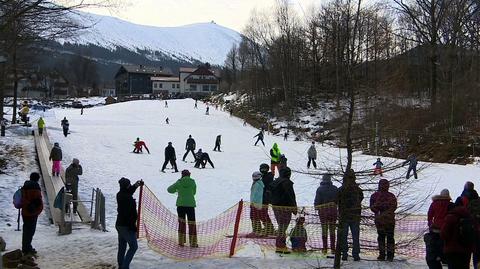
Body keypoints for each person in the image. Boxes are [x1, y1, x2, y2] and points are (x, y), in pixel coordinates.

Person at [337, 169, 363, 261]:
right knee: (355, 236)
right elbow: (361, 198)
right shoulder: (357, 189)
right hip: (355, 215)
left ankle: (344, 253)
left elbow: (337, 201)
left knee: (344, 236)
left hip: (344, 216)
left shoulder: (341, 189)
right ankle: (356, 254)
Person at [116, 177, 143, 269]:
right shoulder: (128, 199)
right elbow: (131, 215)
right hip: (126, 226)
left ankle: (121, 265)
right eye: (129, 184)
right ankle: (125, 267)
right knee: (133, 247)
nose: (130, 186)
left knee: (122, 246)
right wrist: (133, 227)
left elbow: (128, 191)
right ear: (127, 186)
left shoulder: (120, 194)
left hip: (119, 224)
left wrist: (135, 186)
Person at [167, 170, 198, 247]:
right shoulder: (193, 182)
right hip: (190, 205)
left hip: (180, 205)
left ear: (182, 175)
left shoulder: (179, 182)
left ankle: (181, 241)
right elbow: (194, 192)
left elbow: (169, 190)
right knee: (192, 223)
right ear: (189, 175)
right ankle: (193, 242)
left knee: (182, 223)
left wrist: (177, 190)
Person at [441, 202, 476, 269]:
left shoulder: (450, 217)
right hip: (466, 250)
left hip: (452, 250)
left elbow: (443, 234)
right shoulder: (470, 217)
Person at [370, 178, 397, 261]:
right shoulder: (391, 195)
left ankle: (382, 255)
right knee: (390, 238)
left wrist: (379, 209)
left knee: (381, 237)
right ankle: (390, 255)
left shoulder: (375, 195)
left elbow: (373, 208)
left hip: (380, 219)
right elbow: (394, 207)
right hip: (389, 220)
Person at [271, 167, 297, 254]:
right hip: (285, 208)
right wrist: (294, 208)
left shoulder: (275, 182)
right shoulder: (287, 183)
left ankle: (280, 245)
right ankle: (280, 246)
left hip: (275, 207)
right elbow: (290, 196)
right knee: (283, 226)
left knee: (281, 226)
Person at [426, 189, 453, 269]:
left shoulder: (434, 203)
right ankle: (444, 258)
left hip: (435, 228)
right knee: (444, 245)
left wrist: (430, 224)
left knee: (434, 245)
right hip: (446, 228)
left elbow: (430, 215)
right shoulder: (451, 205)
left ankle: (436, 257)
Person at [314, 174, 338, 254]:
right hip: (333, 211)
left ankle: (324, 248)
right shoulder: (335, 189)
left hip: (323, 212)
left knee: (324, 230)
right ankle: (333, 248)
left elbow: (317, 201)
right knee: (332, 230)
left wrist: (316, 207)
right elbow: (337, 200)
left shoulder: (320, 189)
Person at [21, 172, 43, 255]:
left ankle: (25, 247)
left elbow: (22, 199)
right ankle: (27, 249)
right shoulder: (35, 188)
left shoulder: (24, 186)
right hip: (32, 213)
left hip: (25, 211)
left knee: (26, 229)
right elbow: (38, 201)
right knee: (30, 231)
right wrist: (37, 211)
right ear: (37, 179)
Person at [259, 163, 275, 236]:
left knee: (263, 214)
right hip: (262, 198)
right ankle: (268, 227)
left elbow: (267, 187)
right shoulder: (263, 176)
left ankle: (269, 228)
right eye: (262, 169)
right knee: (262, 214)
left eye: (265, 169)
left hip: (265, 198)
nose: (263, 170)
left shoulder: (268, 177)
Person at [249, 171, 266, 237]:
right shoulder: (257, 183)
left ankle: (256, 231)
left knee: (254, 217)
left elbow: (256, 195)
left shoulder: (257, 184)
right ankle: (257, 230)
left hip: (256, 204)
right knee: (255, 217)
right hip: (256, 204)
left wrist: (253, 204)